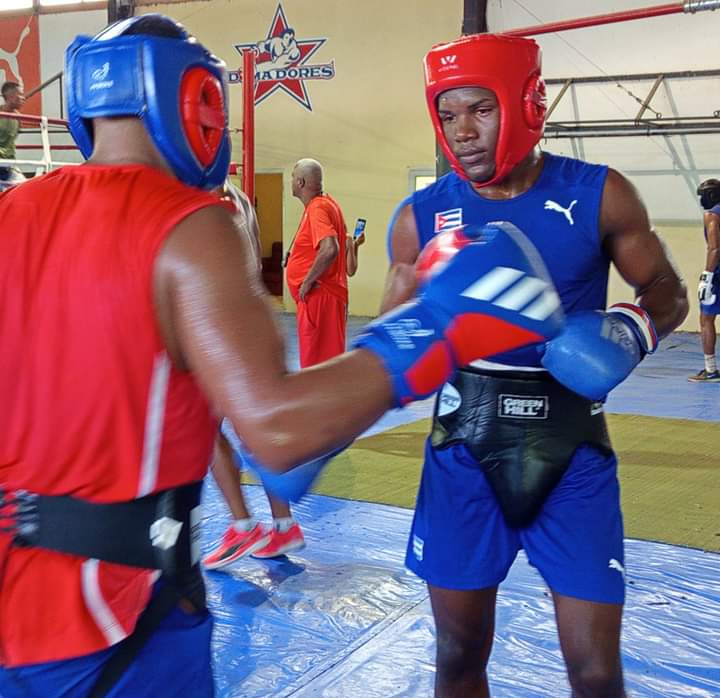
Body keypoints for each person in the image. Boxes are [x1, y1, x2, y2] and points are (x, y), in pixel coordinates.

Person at [0, 16, 564, 696]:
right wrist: (436, 328)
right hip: (115, 617)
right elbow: (277, 433)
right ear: (197, 102)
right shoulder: (186, 222)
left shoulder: (13, 210)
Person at [382, 34, 688, 697]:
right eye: (448, 113)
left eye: (480, 110)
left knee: (597, 671)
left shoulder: (599, 195)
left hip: (573, 452)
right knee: (458, 654)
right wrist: (422, 333)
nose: (462, 132)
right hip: (463, 449)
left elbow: (667, 293)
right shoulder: (421, 216)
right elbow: (388, 341)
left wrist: (629, 331)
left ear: (526, 105)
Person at [204, 179, 305, 570]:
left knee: (204, 427)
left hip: (223, 324)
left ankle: (242, 523)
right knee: (255, 427)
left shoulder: (197, 197)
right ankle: (283, 524)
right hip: (257, 314)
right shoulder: (238, 195)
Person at [286, 158, 349, 368]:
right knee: (328, 362)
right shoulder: (328, 205)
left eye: (293, 178)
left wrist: (306, 282)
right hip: (327, 298)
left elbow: (330, 248)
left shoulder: (317, 209)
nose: (291, 182)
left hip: (319, 298)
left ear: (301, 183)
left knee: (316, 365)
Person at [688, 178, 720, 381]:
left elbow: (715, 248)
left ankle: (711, 370)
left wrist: (707, 276)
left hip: (718, 274)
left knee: (706, 318)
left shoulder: (712, 215)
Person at [0, 81, 25, 188]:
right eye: (20, 95)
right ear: (10, 97)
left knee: (24, 189)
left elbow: (10, 143)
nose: (23, 98)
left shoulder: (18, 118)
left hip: (9, 164)